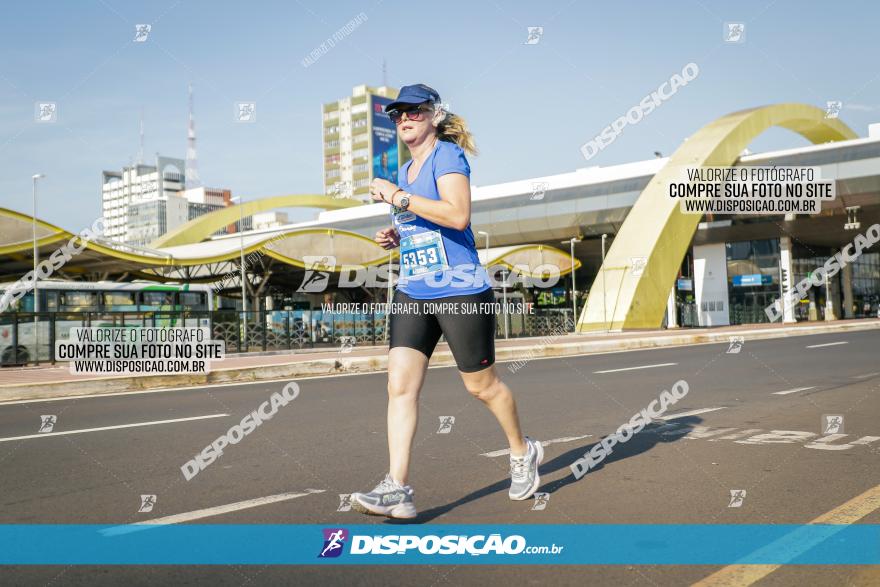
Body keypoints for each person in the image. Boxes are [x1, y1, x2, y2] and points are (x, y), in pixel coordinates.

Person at [349, 84, 542, 520]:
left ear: (433, 115)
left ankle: (522, 451)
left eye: (414, 112)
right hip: (415, 288)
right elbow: (426, 219)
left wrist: (398, 199)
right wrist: (399, 234)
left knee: (481, 387)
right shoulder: (403, 170)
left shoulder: (447, 156)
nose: (404, 119)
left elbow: (457, 215)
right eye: (397, 114)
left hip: (459, 286)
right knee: (399, 384)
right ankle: (397, 487)